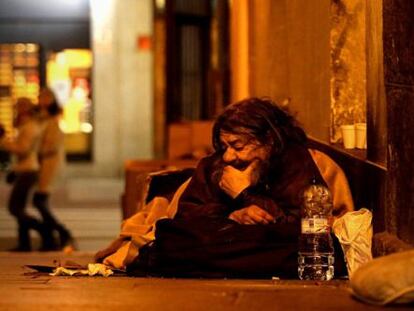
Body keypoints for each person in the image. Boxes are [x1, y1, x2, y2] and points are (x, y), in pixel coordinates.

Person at [127, 97, 354, 278]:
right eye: (225, 146)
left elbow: (304, 225)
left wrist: (245, 194)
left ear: (268, 141)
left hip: (268, 246)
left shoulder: (294, 161)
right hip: (226, 241)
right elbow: (188, 215)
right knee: (170, 234)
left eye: (237, 146)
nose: (228, 156)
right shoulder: (215, 165)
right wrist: (232, 216)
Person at [0, 97, 55, 251]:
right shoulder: (27, 125)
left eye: (18, 107)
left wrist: (4, 141)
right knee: (20, 208)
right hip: (25, 170)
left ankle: (45, 231)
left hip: (28, 171)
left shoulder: (30, 127)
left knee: (14, 208)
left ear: (25, 109)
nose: (16, 110)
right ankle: (24, 243)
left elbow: (23, 150)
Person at [32, 88, 75, 252]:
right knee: (40, 201)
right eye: (39, 97)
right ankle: (50, 238)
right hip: (43, 163)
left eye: (44, 98)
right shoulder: (43, 118)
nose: (40, 101)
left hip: (49, 164)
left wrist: (36, 151)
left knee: (39, 200)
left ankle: (61, 232)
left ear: (51, 99)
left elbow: (53, 145)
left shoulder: (54, 119)